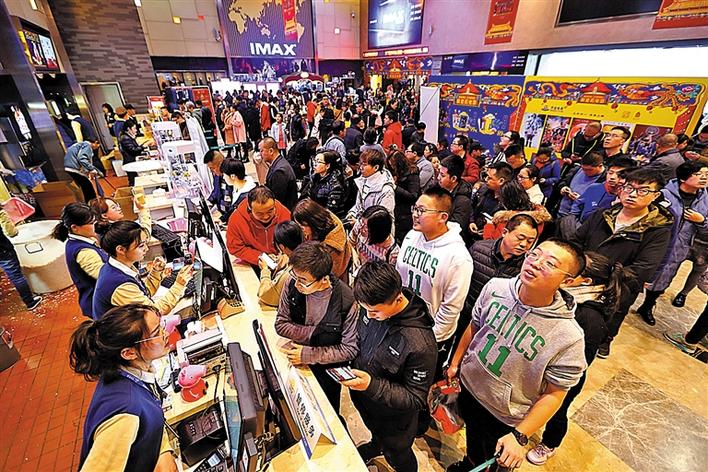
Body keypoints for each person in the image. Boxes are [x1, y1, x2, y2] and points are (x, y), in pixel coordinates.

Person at [446, 239, 587, 472]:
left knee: (492, 462)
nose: (535, 263)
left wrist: (520, 435)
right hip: (469, 387)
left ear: (567, 281)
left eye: (550, 263)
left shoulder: (569, 337)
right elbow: (475, 325)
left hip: (503, 413)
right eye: (535, 255)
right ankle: (468, 464)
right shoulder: (496, 288)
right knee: (473, 443)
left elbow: (555, 393)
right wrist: (455, 363)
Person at [526, 252, 632, 466]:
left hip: (564, 375)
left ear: (585, 281)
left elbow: (580, 362)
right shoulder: (567, 296)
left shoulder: (590, 318)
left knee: (557, 410)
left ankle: (550, 443)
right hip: (542, 363)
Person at [343, 261, 437, 471]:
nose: (368, 316)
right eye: (365, 310)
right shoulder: (372, 304)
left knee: (397, 454)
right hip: (367, 402)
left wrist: (371, 385)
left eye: (375, 311)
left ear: (398, 299)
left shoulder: (420, 344)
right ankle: (376, 445)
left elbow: (415, 398)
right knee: (376, 435)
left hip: (394, 420)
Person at [571, 168, 673, 357]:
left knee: (600, 328)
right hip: (580, 281)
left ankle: (604, 340)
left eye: (643, 190)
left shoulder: (657, 230)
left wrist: (601, 276)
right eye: (629, 187)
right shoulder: (603, 214)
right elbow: (576, 241)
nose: (632, 194)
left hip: (617, 288)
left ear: (655, 195)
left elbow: (643, 268)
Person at [70, 304, 177, 472]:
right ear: (129, 353)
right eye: (157, 333)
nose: (166, 333)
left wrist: (162, 448)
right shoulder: (125, 414)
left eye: (161, 325)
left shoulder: (129, 373)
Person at [397, 186, 473, 374]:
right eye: (415, 208)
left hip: (430, 334)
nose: (415, 214)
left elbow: (451, 307)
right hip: (402, 322)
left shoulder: (458, 257)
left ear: (443, 217)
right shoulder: (412, 236)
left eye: (422, 210)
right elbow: (399, 277)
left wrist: (430, 338)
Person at [275, 242, 357, 412]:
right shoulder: (292, 282)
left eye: (303, 281)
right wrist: (316, 333)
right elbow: (281, 324)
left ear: (323, 279)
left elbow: (349, 350)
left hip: (327, 369)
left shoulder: (347, 301)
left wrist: (308, 354)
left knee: (326, 412)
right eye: (295, 275)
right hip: (294, 357)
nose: (297, 284)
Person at [636, 161, 708, 325]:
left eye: (706, 175)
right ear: (683, 178)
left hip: (680, 246)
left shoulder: (705, 199)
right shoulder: (663, 194)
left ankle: (647, 306)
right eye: (698, 174)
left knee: (665, 278)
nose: (704, 178)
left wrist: (701, 221)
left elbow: (706, 230)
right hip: (654, 242)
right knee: (640, 271)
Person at [92, 221, 190, 319]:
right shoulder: (120, 285)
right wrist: (179, 285)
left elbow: (144, 293)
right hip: (124, 328)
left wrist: (156, 273)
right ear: (121, 249)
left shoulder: (117, 266)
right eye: (141, 246)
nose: (146, 249)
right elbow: (154, 313)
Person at [53, 203, 108, 319]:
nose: (96, 225)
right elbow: (105, 276)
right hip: (100, 304)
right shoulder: (83, 251)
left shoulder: (81, 240)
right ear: (75, 227)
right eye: (91, 223)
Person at [226, 186, 291, 271]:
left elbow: (297, 242)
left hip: (283, 264)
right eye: (259, 213)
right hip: (254, 265)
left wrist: (287, 253)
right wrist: (260, 257)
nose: (266, 216)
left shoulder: (284, 213)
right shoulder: (236, 220)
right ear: (250, 208)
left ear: (274, 203)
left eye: (270, 211)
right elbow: (235, 248)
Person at [293, 199, 352, 280]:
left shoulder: (331, 247)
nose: (301, 230)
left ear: (312, 222)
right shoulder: (316, 229)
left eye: (302, 226)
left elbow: (332, 275)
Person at [569, 156, 635, 224]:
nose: (612, 177)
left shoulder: (629, 198)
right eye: (610, 173)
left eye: (620, 175)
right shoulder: (594, 188)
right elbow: (578, 208)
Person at [0, 208, 42, 310]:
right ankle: (30, 302)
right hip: (3, 250)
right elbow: (11, 232)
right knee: (16, 276)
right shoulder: (0, 212)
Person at [258, 222, 304, 307]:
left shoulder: (290, 272)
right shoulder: (307, 254)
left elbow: (265, 296)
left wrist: (265, 270)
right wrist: (279, 259)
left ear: (282, 247)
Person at [346, 148, 396, 223]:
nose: (361, 167)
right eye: (360, 164)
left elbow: (383, 219)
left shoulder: (386, 190)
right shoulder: (363, 181)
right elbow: (359, 206)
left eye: (364, 165)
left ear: (376, 167)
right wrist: (352, 213)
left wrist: (358, 223)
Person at [299, 151, 349, 219]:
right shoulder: (315, 178)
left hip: (328, 219)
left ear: (327, 166)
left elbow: (330, 211)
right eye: (314, 161)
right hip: (314, 214)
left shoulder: (335, 185)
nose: (315, 164)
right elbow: (309, 197)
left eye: (318, 162)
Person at [349, 205, 400, 272]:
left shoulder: (393, 254)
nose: (361, 227)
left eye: (366, 227)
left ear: (377, 231)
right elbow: (350, 242)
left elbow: (386, 276)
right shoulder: (360, 225)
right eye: (362, 222)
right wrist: (355, 256)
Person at [469, 162, 513, 235]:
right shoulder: (483, 189)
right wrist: (471, 221)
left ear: (501, 181)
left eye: (490, 178)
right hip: (473, 231)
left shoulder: (510, 201)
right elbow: (471, 205)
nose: (486, 179)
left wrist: (488, 231)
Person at [438, 155, 474, 245]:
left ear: (453, 178)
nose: (438, 177)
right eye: (439, 173)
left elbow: (455, 229)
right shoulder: (437, 188)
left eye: (442, 175)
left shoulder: (463, 201)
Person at [556, 152, 606, 217]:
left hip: (580, 217)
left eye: (589, 170)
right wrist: (563, 188)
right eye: (583, 169)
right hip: (562, 211)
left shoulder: (605, 180)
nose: (585, 172)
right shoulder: (577, 169)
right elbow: (564, 181)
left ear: (600, 166)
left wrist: (582, 200)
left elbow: (600, 203)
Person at [387, 149, 420, 243]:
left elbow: (413, 196)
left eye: (394, 165)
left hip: (405, 214)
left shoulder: (412, 173)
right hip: (394, 211)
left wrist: (395, 187)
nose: (392, 167)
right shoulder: (392, 173)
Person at [260, 137, 298, 210]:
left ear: (271, 151)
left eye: (262, 151)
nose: (260, 154)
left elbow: (277, 200)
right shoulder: (279, 163)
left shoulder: (279, 172)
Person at [203, 149, 234, 223]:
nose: (212, 171)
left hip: (232, 217)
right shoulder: (217, 175)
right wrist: (209, 202)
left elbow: (236, 204)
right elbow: (216, 191)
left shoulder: (233, 175)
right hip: (224, 215)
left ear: (220, 164)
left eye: (212, 168)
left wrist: (222, 219)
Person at [118, 121, 147, 186]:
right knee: (133, 181)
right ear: (129, 129)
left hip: (131, 161)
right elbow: (133, 150)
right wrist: (143, 146)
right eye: (134, 128)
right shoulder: (125, 138)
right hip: (130, 162)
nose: (136, 130)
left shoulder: (129, 136)